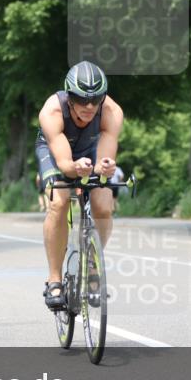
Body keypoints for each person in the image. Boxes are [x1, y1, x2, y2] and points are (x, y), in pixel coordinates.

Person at [36, 60, 123, 311]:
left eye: (95, 99)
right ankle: (54, 278)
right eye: (81, 99)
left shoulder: (111, 112)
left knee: (103, 205)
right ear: (69, 95)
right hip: (55, 150)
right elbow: (64, 163)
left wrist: (104, 168)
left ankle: (93, 264)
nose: (89, 106)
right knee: (58, 202)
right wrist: (75, 168)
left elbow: (105, 160)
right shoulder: (51, 111)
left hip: (90, 147)